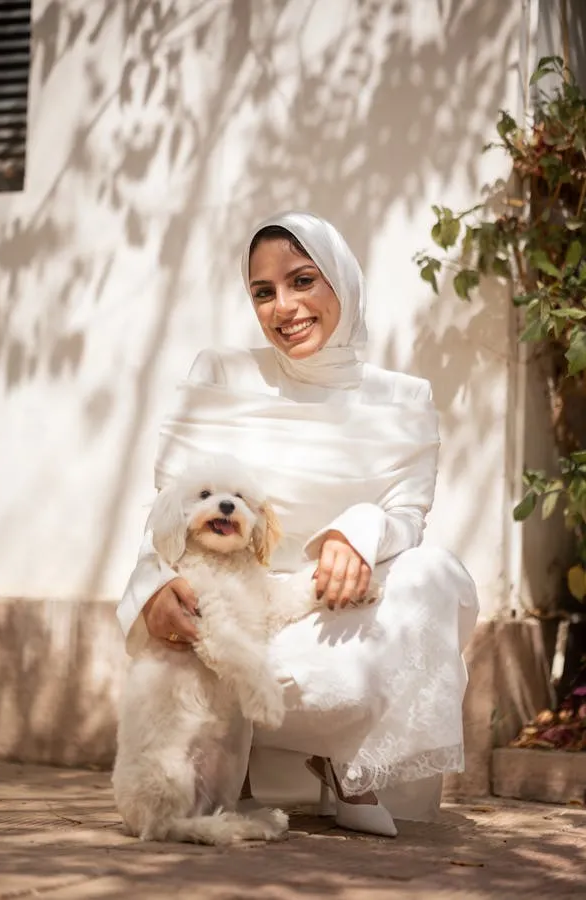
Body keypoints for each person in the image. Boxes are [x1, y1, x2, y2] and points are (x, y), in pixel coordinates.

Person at [117, 211, 479, 837]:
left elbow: (408, 517)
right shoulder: (220, 375)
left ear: (341, 279)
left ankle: (350, 765)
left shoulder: (403, 399)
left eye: (303, 280)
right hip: (230, 623)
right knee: (222, 650)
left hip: (335, 609)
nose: (284, 307)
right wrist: (148, 594)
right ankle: (248, 763)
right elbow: (170, 506)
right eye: (263, 292)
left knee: (435, 573)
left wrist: (357, 531)